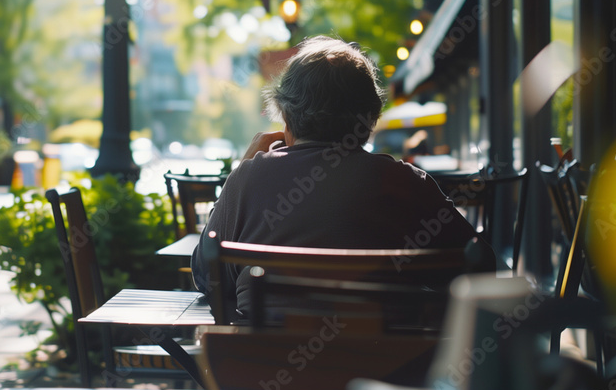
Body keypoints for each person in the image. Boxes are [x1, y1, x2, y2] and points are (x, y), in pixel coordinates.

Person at [190, 36, 477, 317]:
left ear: (287, 117)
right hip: (387, 363)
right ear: (371, 118)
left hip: (262, 360)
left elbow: (207, 278)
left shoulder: (248, 179)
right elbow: (478, 268)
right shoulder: (408, 184)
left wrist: (242, 168)